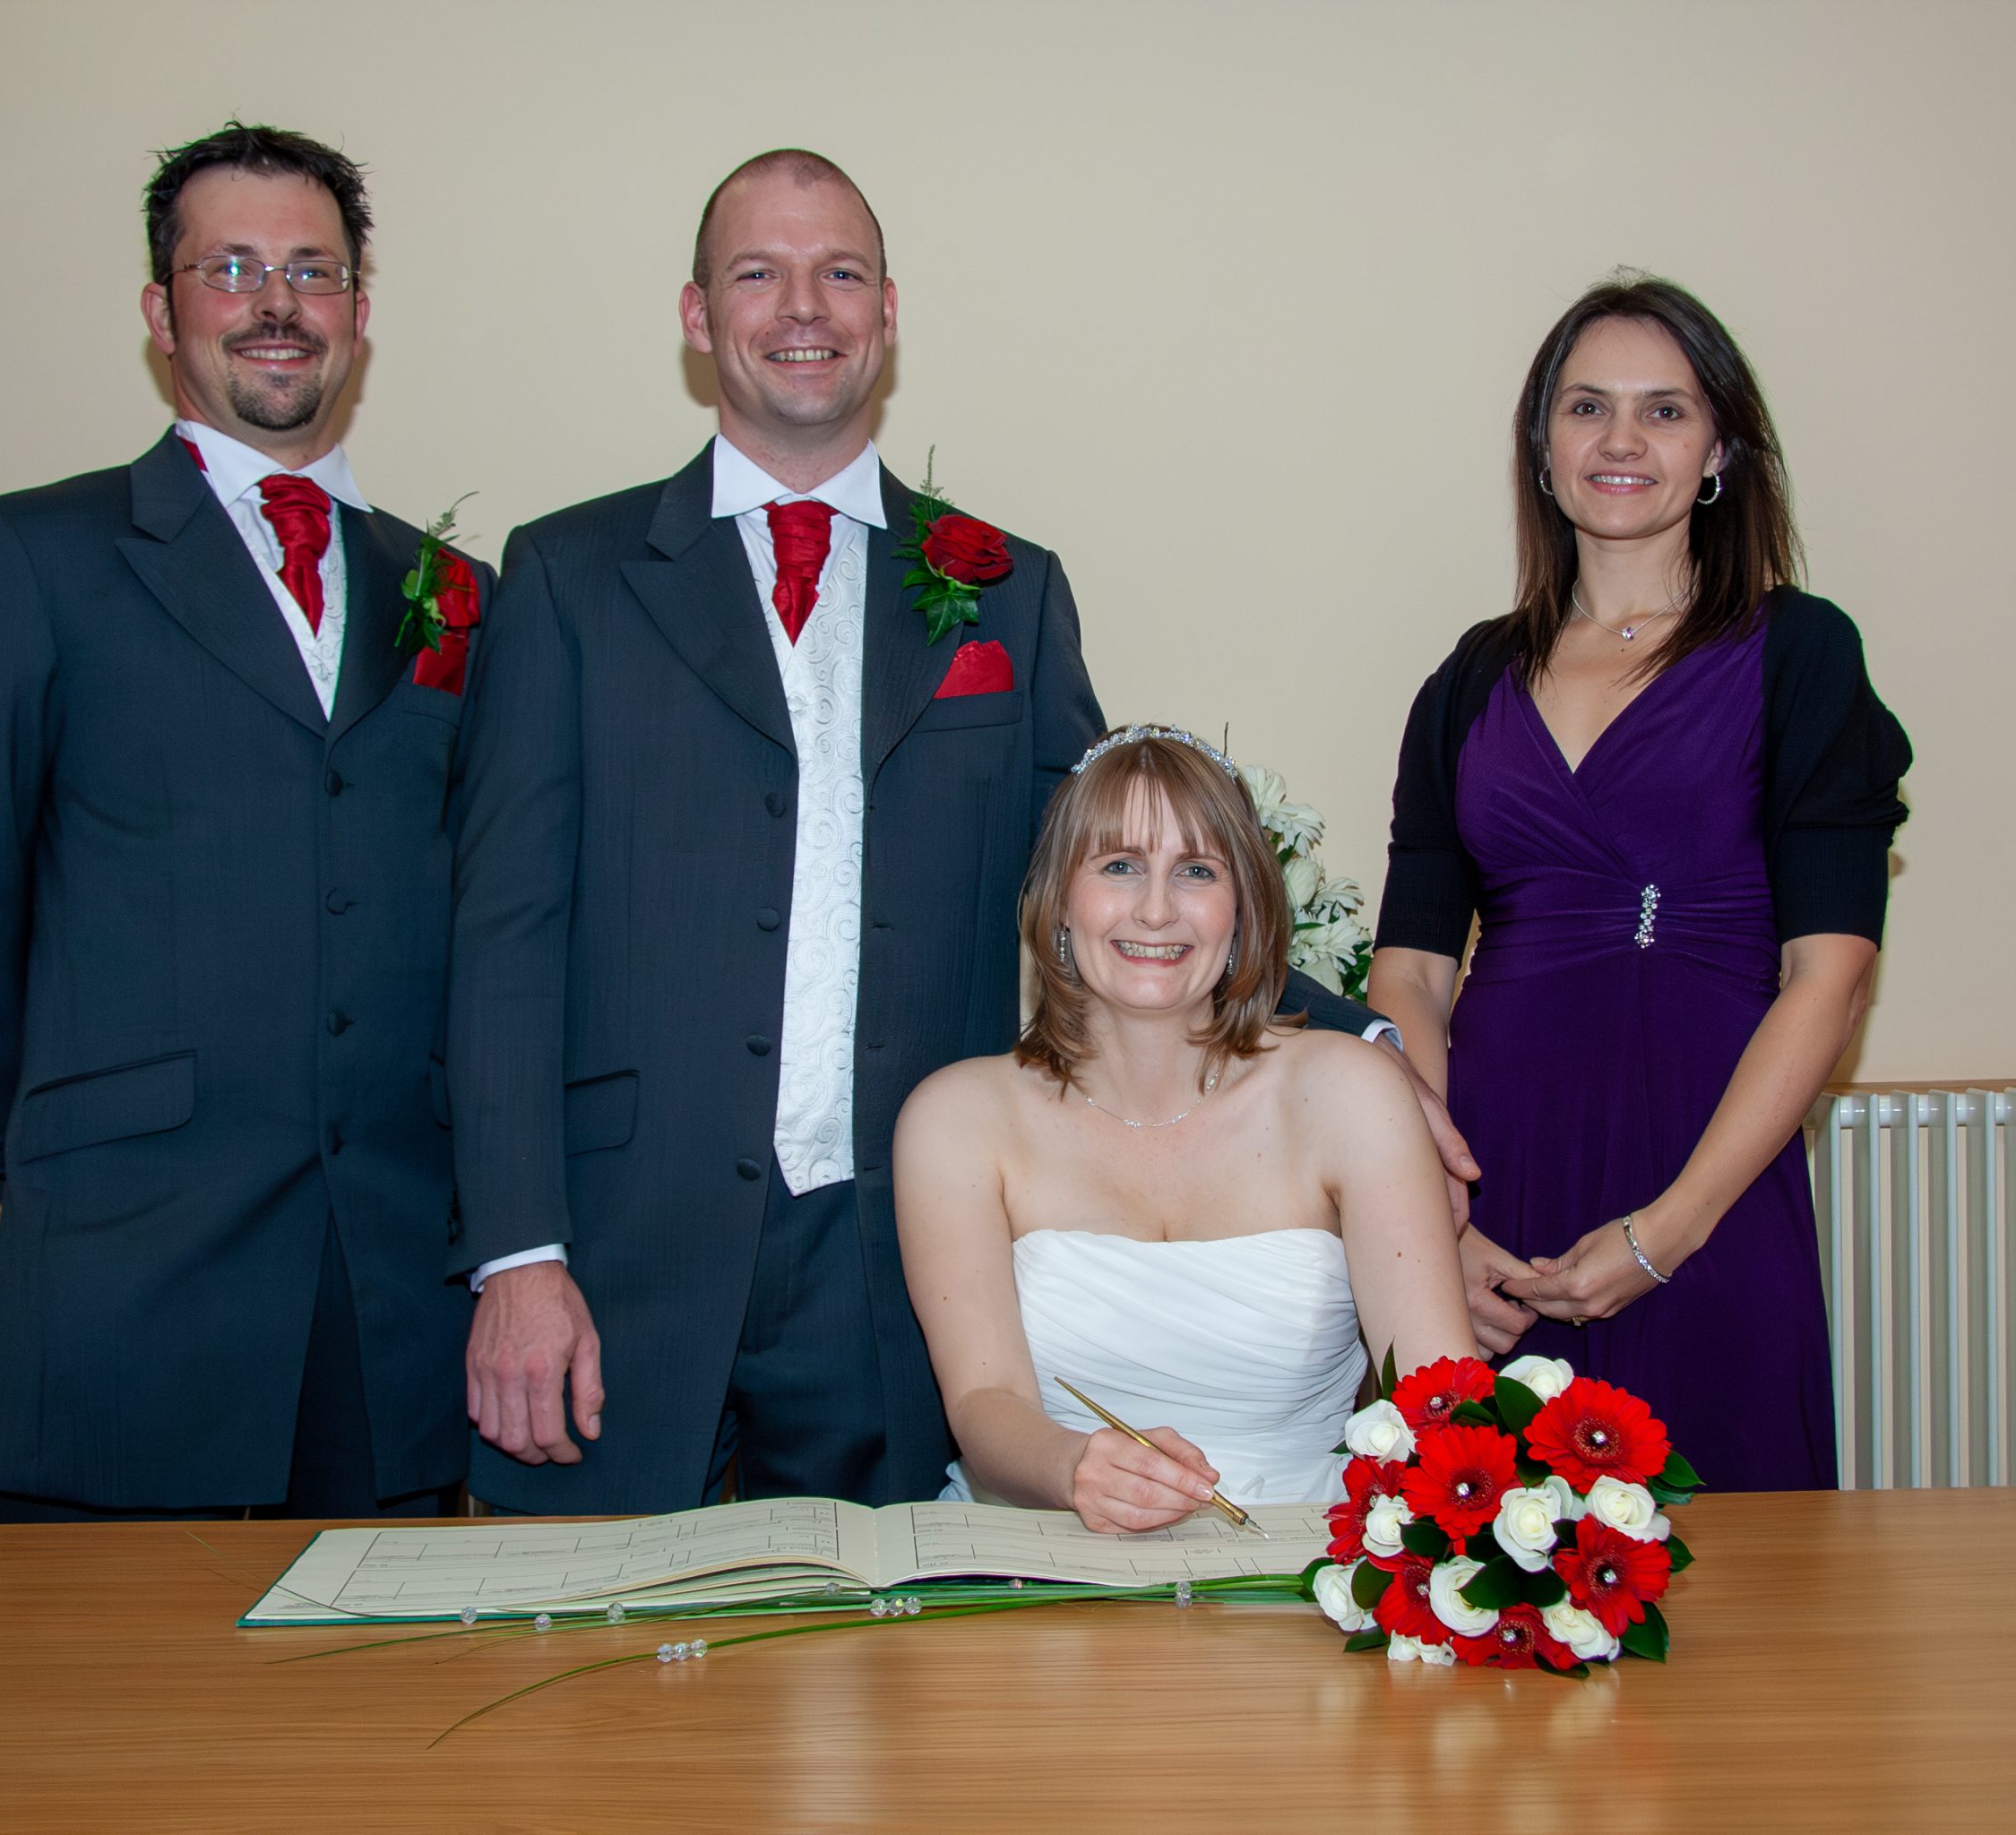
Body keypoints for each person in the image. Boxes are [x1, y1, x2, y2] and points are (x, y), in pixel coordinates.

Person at [447, 151, 1397, 1515]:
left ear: (888, 313)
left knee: (875, 1701)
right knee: (597, 1697)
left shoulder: (1006, 590)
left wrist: (1356, 1037)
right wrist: (516, 1256)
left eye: (840, 273)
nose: (803, 306)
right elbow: (503, 931)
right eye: (757, 273)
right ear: (696, 313)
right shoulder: (567, 577)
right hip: (619, 1248)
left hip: (899, 1255)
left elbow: (1120, 867)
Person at [0, 123, 490, 1521]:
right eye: (232, 268)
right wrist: (63, 1141)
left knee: (378, 1733)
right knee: (96, 1730)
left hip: (389, 1305)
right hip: (126, 1282)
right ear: (165, 314)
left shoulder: (454, 592)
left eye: (312, 271)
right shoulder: (33, 555)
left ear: (357, 316)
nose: (277, 304)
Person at [1366, 275, 1911, 1492]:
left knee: (1746, 1598)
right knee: (1489, 1569)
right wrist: (1435, 1220)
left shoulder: (1803, 653)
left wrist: (1668, 1234)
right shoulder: (1467, 680)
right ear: (1542, 448)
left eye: (1664, 412)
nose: (1621, 442)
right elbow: (1408, 970)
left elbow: (1833, 974)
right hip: (1496, 1193)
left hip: (1711, 1178)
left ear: (1718, 448)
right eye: (1587, 408)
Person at [895, 727, 1475, 1528]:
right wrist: (1075, 1468)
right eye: (1120, 866)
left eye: (1196, 870)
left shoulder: (1349, 1093)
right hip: (1041, 1558)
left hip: (1310, 1569)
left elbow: (1440, 1392)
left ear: (1243, 908)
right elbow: (984, 1402)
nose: (1158, 909)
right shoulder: (956, 1120)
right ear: (1061, 898)